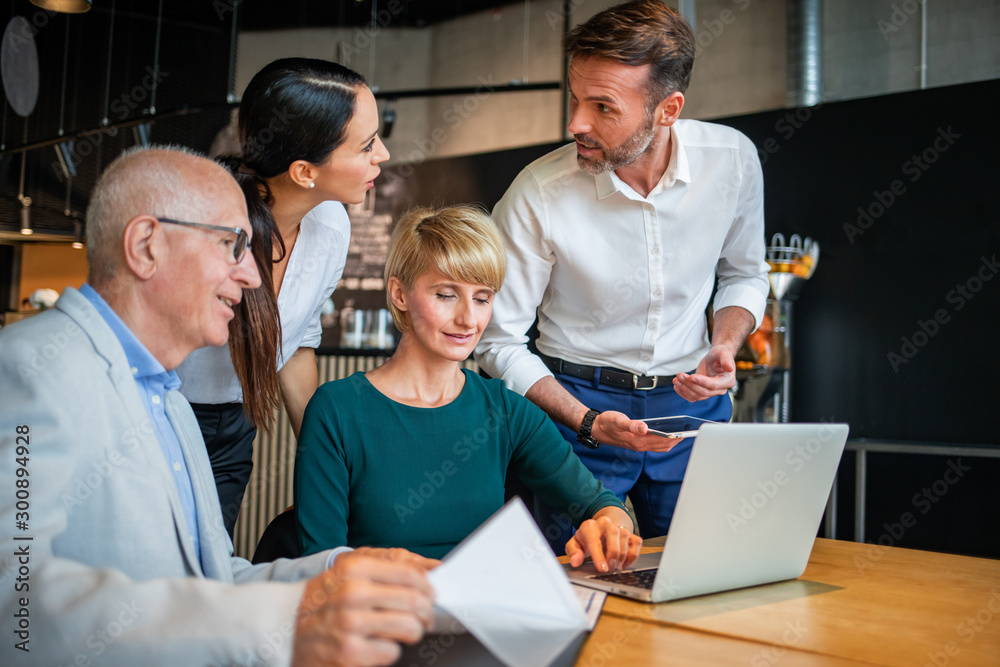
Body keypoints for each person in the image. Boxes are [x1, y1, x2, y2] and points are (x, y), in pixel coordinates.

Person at [0, 146, 433, 667]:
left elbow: (213, 578)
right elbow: (14, 606)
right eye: (234, 245)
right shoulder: (27, 371)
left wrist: (339, 574)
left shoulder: (172, 404)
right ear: (145, 245)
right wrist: (278, 623)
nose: (253, 276)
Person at [474, 0, 770, 549]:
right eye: (576, 98)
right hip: (571, 407)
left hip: (691, 411)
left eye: (603, 107)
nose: (575, 124)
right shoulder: (538, 192)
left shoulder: (733, 161)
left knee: (698, 576)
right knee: (573, 586)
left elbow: (745, 274)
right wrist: (586, 420)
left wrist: (726, 344)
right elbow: (497, 341)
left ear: (667, 109)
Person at [294, 206, 642, 572]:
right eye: (446, 295)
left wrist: (608, 527)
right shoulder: (337, 410)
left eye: (482, 298)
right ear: (399, 293)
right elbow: (321, 565)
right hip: (381, 618)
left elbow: (602, 505)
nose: (468, 320)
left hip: (485, 617)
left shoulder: (506, 410)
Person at [176, 58, 390, 538]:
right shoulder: (206, 225)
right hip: (158, 415)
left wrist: (325, 469)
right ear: (304, 171)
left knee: (208, 569)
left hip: (234, 427)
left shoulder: (331, 223)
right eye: (368, 144)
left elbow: (295, 347)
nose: (385, 155)